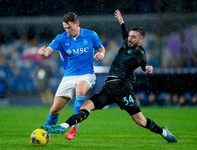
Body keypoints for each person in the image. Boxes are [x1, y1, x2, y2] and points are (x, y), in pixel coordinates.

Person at [41, 10, 177, 143]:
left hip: (124, 90)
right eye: (129, 36)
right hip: (109, 88)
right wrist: (121, 22)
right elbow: (125, 35)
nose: (130, 39)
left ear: (141, 40)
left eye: (134, 37)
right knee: (85, 107)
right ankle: (64, 126)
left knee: (140, 121)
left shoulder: (139, 52)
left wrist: (146, 67)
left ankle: (163, 131)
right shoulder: (126, 44)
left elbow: (142, 62)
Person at [38, 12, 105, 140]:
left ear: (77, 23)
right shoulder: (61, 38)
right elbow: (49, 50)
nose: (67, 31)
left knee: (80, 90)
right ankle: (44, 134)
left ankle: (74, 128)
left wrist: (101, 54)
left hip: (87, 75)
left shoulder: (90, 35)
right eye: (65, 28)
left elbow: (101, 48)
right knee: (55, 110)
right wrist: (43, 52)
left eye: (69, 27)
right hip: (69, 77)